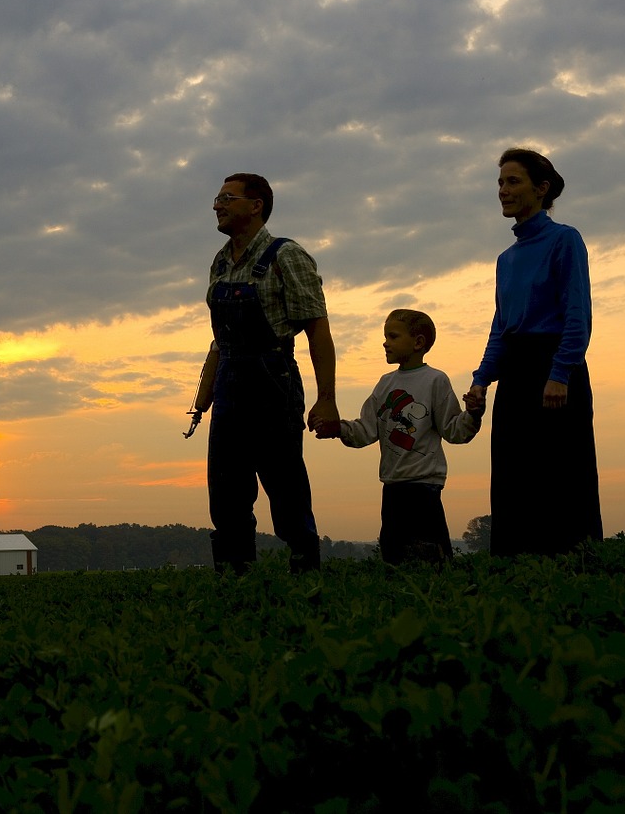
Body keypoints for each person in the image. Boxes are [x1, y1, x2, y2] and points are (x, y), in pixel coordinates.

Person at [190, 173, 339, 575]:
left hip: (274, 379)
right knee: (226, 493)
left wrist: (327, 399)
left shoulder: (286, 255)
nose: (217, 205)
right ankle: (236, 578)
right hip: (229, 386)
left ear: (255, 206)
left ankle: (305, 574)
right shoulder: (220, 261)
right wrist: (203, 398)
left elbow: (318, 332)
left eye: (226, 197)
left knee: (286, 487)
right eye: (216, 197)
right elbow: (218, 341)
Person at [465, 148, 603, 556]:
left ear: (541, 189)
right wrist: (481, 378)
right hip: (516, 372)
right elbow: (501, 328)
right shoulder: (505, 260)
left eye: (513, 181)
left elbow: (577, 313)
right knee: (512, 475)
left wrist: (560, 373)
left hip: (556, 367)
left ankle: (576, 569)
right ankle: (514, 570)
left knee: (563, 474)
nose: (503, 191)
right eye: (500, 183)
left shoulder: (565, 240)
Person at [320, 309, 484, 565]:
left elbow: (454, 430)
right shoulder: (385, 384)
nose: (385, 343)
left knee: (432, 558)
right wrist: (338, 429)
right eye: (386, 336)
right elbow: (365, 430)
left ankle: (438, 599)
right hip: (393, 486)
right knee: (394, 558)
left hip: (424, 487)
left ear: (418, 342)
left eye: (393, 336)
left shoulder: (435, 381)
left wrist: (473, 414)